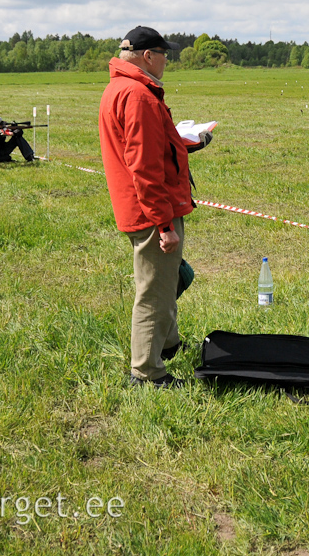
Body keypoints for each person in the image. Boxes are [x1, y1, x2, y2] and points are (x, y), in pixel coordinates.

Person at [100, 26, 209, 389]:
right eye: (165, 53)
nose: (167, 60)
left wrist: (183, 143)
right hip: (151, 211)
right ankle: (147, 373)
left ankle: (168, 343)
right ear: (148, 56)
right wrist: (163, 224)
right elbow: (143, 167)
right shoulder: (139, 95)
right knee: (155, 292)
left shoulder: (120, 88)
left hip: (141, 207)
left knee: (165, 280)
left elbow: (147, 148)